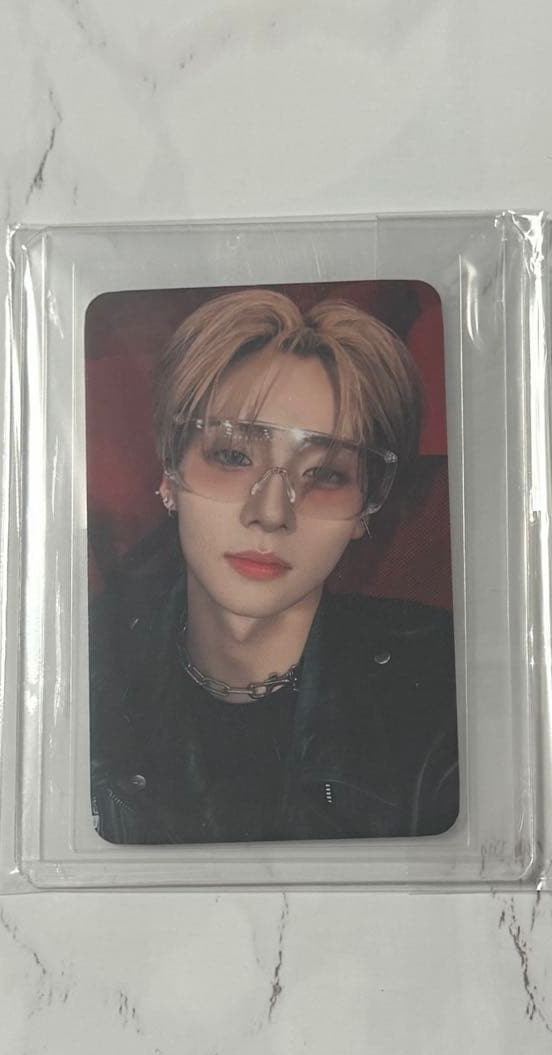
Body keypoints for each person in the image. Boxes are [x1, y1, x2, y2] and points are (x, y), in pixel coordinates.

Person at [89, 289, 459, 845]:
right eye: (233, 457)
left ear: (365, 509)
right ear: (169, 474)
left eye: (325, 475)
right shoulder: (88, 668)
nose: (270, 513)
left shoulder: (438, 692)